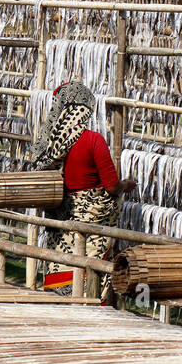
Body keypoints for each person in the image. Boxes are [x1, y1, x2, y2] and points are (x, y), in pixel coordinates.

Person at [28, 82, 136, 297]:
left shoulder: (48, 147)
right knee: (92, 270)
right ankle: (91, 308)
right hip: (91, 224)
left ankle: (58, 304)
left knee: (61, 265)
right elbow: (111, 186)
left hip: (61, 223)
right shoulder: (92, 140)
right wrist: (126, 185)